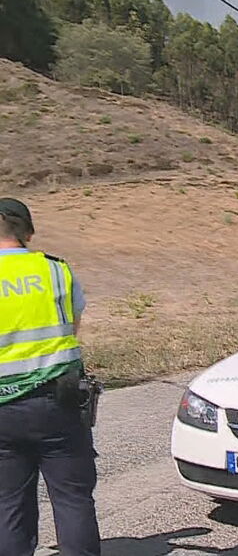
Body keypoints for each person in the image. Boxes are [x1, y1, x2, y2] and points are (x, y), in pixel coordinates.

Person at [0, 198, 101, 556]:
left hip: (2, 410)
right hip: (58, 399)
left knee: (8, 505)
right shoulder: (57, 271)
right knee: (72, 498)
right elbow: (72, 325)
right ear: (28, 231)